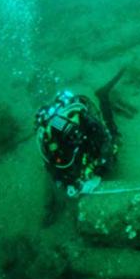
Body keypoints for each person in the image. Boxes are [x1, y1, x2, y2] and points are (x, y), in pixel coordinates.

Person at [35, 68, 125, 197]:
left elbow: (105, 140)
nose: (75, 136)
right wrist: (69, 184)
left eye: (75, 133)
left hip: (90, 137)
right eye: (70, 136)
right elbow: (53, 170)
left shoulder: (82, 119)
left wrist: (99, 169)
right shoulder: (49, 142)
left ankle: (103, 96)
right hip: (71, 153)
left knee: (114, 139)